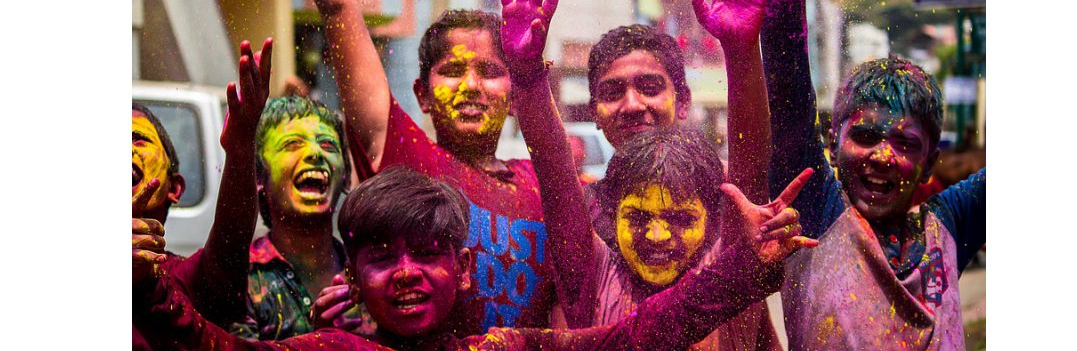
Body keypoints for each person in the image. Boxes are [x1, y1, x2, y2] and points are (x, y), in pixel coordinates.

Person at [219, 0, 555, 334]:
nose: (470, 86)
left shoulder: (546, 184)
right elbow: (338, 8)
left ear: (514, 89)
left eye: (490, 71)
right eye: (451, 72)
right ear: (421, 94)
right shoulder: (405, 159)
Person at [133, 167, 816, 350]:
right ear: (354, 272)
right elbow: (208, 345)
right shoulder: (327, 350)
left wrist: (741, 272)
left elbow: (633, 338)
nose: (405, 272)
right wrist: (143, 288)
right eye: (380, 257)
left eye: (428, 254)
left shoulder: (506, 348)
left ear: (463, 269)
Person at [751, 0, 986, 349]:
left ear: (929, 164)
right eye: (866, 136)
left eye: (905, 144)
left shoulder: (948, 227)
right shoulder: (817, 214)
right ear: (834, 141)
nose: (882, 156)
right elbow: (788, 86)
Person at [495, 0, 800, 351]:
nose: (633, 105)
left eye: (680, 218)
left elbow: (751, 163)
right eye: (636, 218)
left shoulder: (731, 240)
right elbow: (554, 174)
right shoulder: (592, 265)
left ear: (684, 100)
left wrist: (742, 53)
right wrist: (526, 75)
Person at [132, 39, 273, 348]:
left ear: (175, 188)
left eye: (137, 138)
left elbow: (229, 249)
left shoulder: (180, 279)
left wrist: (241, 145)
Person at [227, 96, 375, 340]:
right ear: (259, 177)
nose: (315, 152)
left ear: (346, 178)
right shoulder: (240, 279)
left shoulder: (370, 273)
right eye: (292, 144)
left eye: (328, 145)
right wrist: (321, 343)